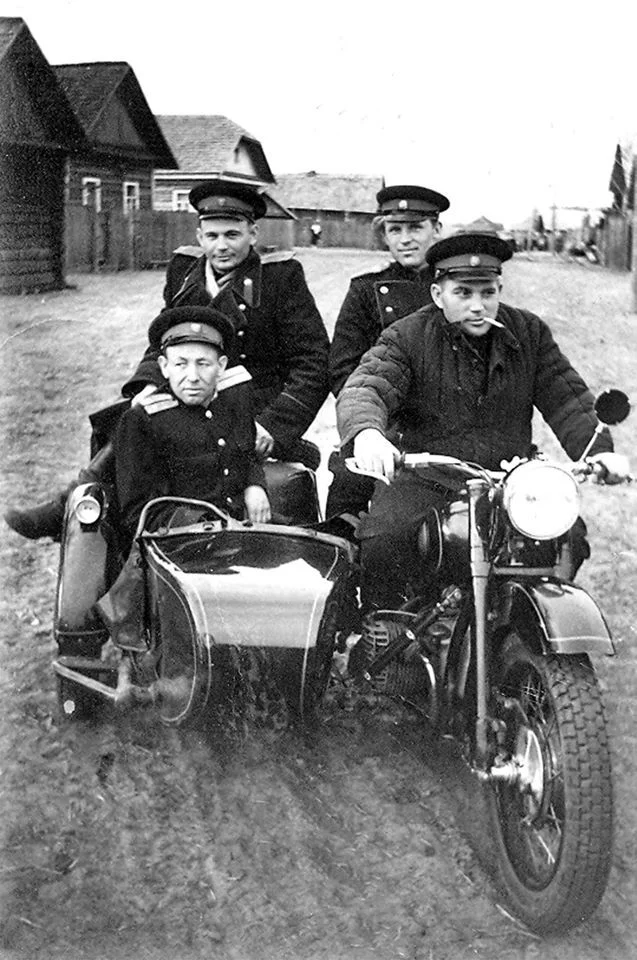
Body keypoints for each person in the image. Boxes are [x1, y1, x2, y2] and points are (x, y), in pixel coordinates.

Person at [5, 180, 330, 541]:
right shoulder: (184, 271)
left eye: (233, 234)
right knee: (128, 420)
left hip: (248, 409)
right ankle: (90, 517)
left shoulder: (280, 277)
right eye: (211, 235)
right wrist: (146, 386)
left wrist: (274, 425)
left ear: (253, 234)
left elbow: (313, 362)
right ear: (199, 234)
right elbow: (163, 340)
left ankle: (70, 505)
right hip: (187, 394)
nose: (221, 246)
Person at [335, 231, 630, 609]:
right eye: (463, 293)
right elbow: (367, 385)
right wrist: (368, 434)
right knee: (384, 540)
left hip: (506, 481)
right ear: (438, 294)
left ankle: (523, 625)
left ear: (499, 289)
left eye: (488, 293)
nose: (478, 306)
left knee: (567, 536)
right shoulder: (406, 336)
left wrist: (600, 452)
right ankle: (386, 638)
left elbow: (567, 398)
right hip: (428, 478)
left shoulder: (529, 333)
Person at [326, 184, 450, 521]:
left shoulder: (458, 291)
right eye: (396, 229)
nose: (405, 239)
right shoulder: (365, 291)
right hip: (382, 427)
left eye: (416, 228)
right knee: (345, 507)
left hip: (446, 430)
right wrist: (374, 425)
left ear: (436, 230)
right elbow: (344, 369)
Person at [115, 305, 271, 537]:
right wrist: (205, 524)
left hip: (243, 531)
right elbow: (138, 511)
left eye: (203, 364)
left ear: (221, 366)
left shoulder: (235, 397)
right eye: (180, 364)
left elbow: (246, 454)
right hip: (181, 542)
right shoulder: (144, 420)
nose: (192, 377)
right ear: (164, 367)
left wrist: (254, 484)